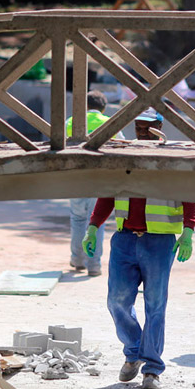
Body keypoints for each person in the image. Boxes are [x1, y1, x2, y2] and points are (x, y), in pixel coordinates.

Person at [82, 108, 195, 389]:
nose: (142, 132)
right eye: (138, 127)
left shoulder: (172, 158)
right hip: (124, 240)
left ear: (160, 126)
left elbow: (190, 193)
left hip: (158, 243)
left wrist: (188, 231)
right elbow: (108, 193)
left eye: (148, 127)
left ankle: (152, 368)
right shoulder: (124, 157)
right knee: (116, 302)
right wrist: (94, 226)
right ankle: (133, 350)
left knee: (155, 305)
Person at [66, 90, 112, 277]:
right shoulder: (110, 123)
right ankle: (94, 265)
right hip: (101, 179)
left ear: (84, 106)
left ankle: (77, 260)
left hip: (76, 177)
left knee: (77, 219)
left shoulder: (70, 122)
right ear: (103, 108)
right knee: (97, 222)